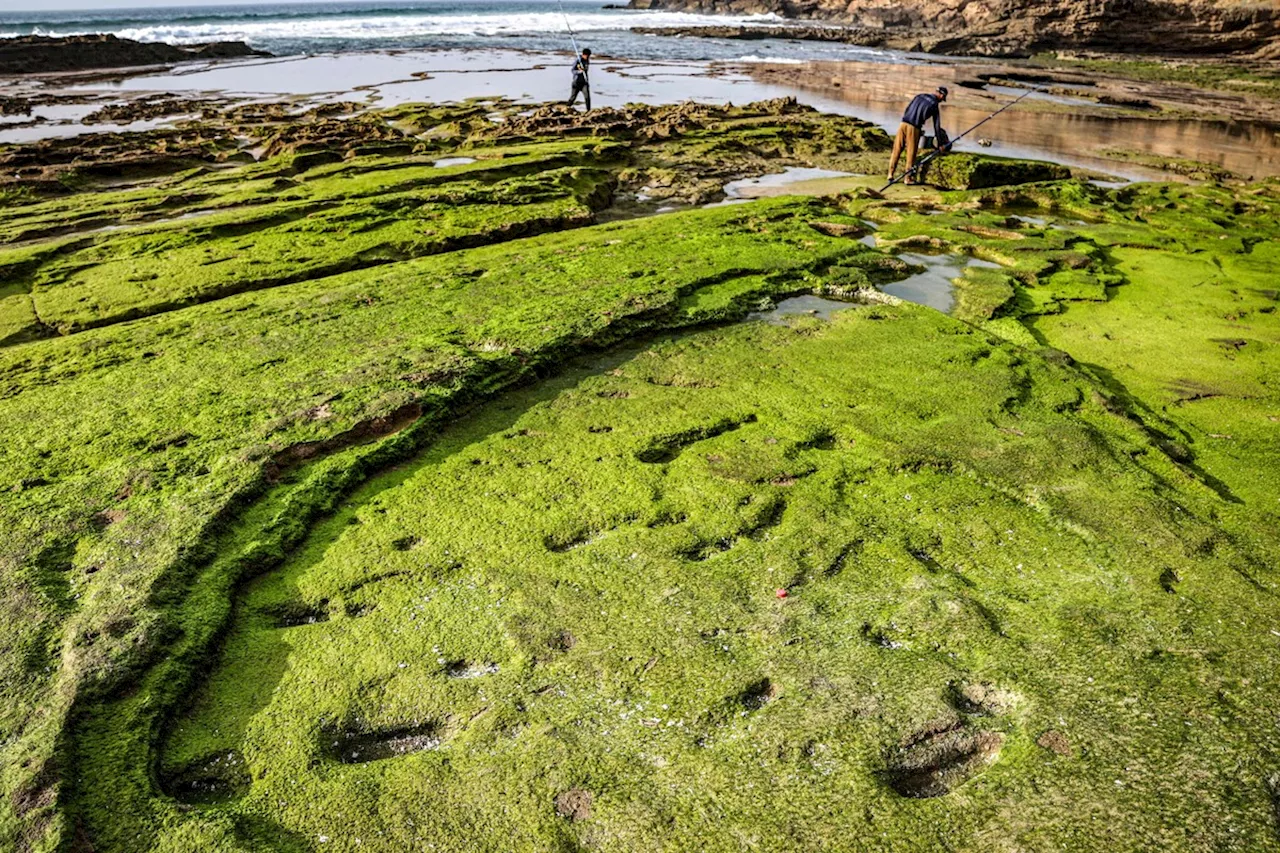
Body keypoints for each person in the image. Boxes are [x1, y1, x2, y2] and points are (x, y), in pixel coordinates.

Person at [887, 86, 949, 185]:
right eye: (943, 98)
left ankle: (890, 174)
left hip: (903, 123)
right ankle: (908, 178)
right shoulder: (934, 104)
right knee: (911, 153)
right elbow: (936, 126)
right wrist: (940, 144)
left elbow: (907, 109)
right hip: (914, 126)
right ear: (941, 95)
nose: (942, 100)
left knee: (897, 149)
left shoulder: (920, 96)